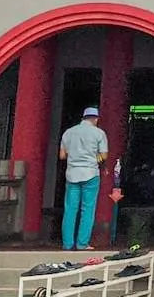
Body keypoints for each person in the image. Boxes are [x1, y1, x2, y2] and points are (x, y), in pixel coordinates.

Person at [58, 106, 110, 250]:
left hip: (72, 174)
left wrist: (75, 156)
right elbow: (104, 156)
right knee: (87, 209)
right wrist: (93, 159)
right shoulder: (99, 133)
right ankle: (82, 244)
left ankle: (67, 244)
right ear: (95, 119)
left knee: (70, 210)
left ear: (83, 118)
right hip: (91, 174)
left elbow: (62, 156)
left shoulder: (68, 133)